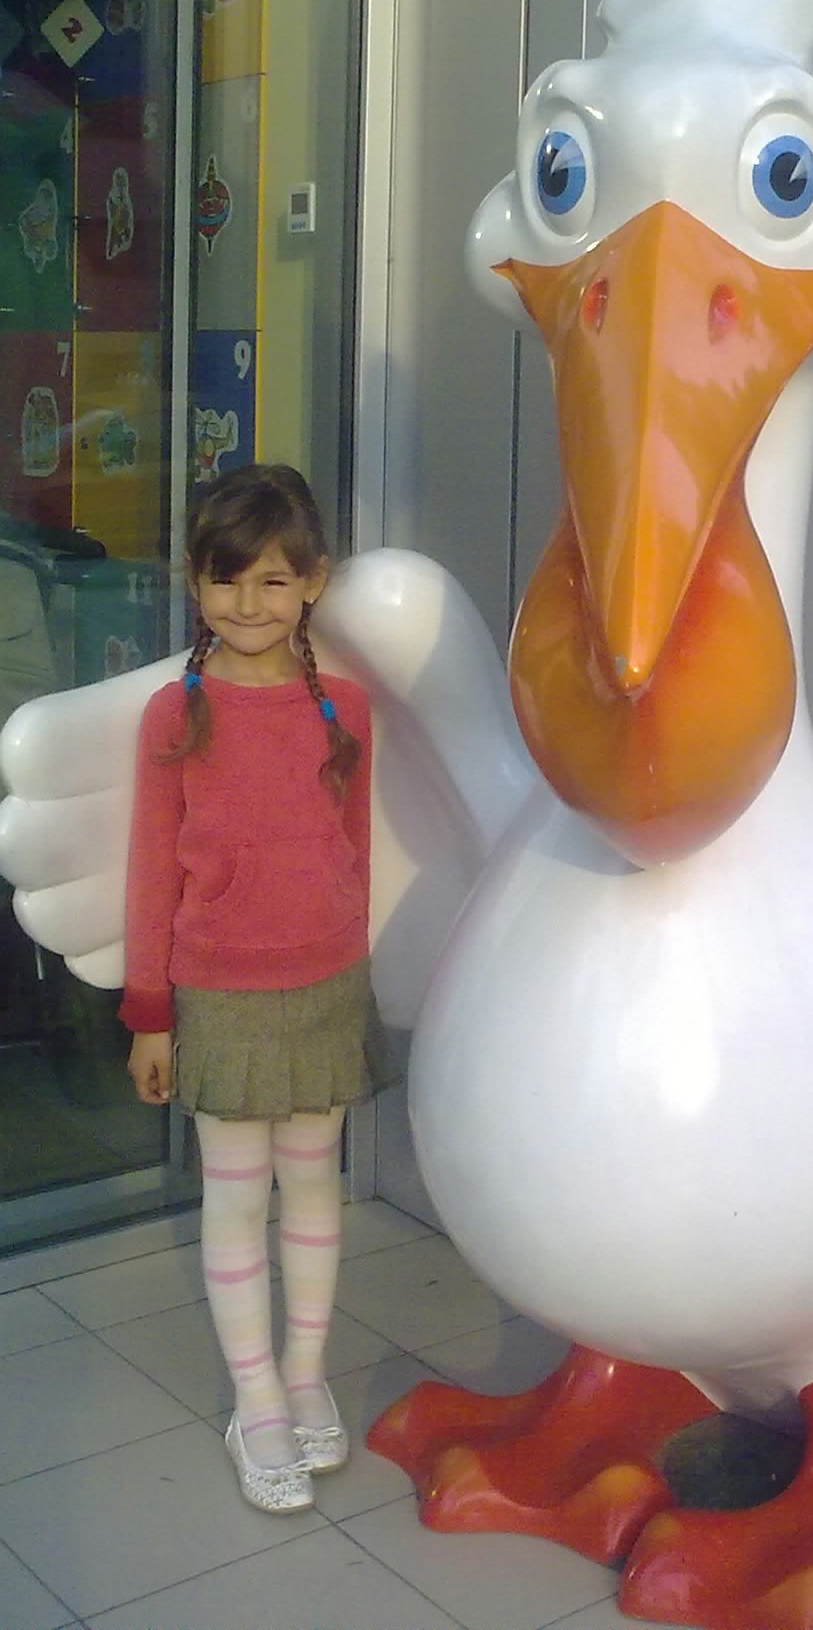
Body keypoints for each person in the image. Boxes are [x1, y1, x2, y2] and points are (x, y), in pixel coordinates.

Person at [121, 463, 395, 1513]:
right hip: (218, 996)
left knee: (313, 1187)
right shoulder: (172, 715)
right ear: (194, 583)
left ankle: (306, 1375)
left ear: (313, 582)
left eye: (273, 580)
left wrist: (355, 970)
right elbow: (152, 871)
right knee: (236, 1199)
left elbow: (353, 851)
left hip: (325, 987)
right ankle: (257, 1402)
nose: (247, 603)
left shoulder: (347, 710)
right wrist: (149, 1013)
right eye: (225, 579)